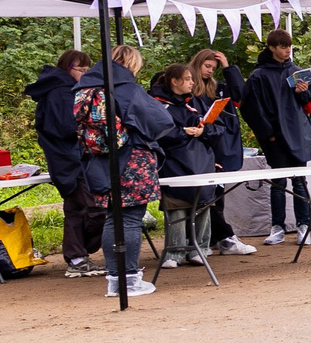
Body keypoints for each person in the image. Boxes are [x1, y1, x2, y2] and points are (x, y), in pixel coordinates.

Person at [73, 45, 173, 297]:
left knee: (112, 218)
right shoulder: (128, 89)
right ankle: (129, 280)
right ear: (130, 64)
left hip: (100, 162)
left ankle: (115, 280)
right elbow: (162, 121)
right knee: (130, 219)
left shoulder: (84, 89)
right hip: (132, 160)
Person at [25, 49, 103, 276]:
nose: (84, 74)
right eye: (81, 69)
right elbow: (67, 127)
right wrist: (92, 126)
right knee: (94, 208)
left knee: (76, 209)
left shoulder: (63, 90)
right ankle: (79, 255)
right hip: (70, 160)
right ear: (68, 68)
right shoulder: (60, 93)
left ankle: (77, 258)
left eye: (87, 70)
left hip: (70, 158)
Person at [240, 27, 311, 242]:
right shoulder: (258, 76)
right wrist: (268, 134)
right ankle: (277, 228)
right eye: (283, 46)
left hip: (298, 134)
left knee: (300, 181)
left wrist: (303, 93)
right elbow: (251, 108)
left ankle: (304, 226)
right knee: (278, 183)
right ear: (272, 47)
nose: (287, 50)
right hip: (275, 137)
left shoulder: (298, 72)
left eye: (289, 46)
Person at [149, 62, 219, 267]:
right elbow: (156, 131)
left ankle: (200, 248)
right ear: (174, 81)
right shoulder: (156, 104)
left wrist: (203, 131)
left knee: (203, 203)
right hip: (174, 162)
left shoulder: (196, 102)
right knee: (176, 204)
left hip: (202, 161)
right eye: (187, 79)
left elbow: (217, 127)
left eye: (191, 79)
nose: (192, 83)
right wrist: (182, 132)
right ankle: (174, 252)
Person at [186, 48, 255, 256]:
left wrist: (228, 68)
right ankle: (223, 237)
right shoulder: (189, 89)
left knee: (217, 195)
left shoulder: (217, 88)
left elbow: (241, 94)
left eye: (213, 68)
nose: (210, 71)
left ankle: (212, 239)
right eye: (207, 66)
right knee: (205, 198)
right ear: (197, 64)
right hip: (199, 147)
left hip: (220, 145)